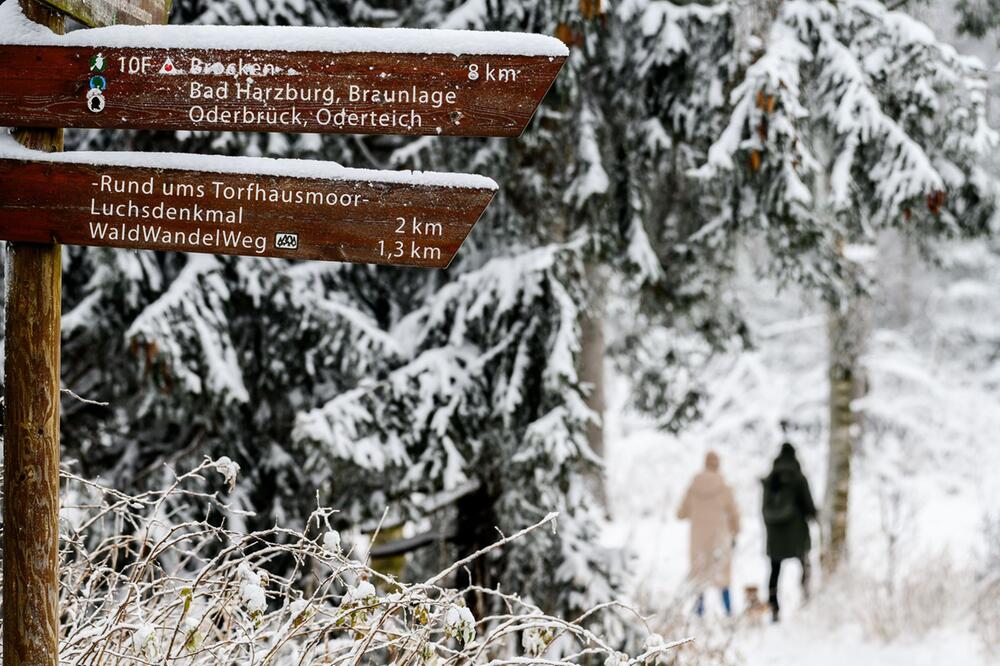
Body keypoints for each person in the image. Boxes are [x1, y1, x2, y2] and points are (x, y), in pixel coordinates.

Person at [677, 451, 741, 616]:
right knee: (722, 573)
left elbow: (681, 513)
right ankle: (728, 612)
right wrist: (735, 531)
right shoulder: (725, 487)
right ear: (718, 464)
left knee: (700, 573)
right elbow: (734, 514)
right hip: (719, 537)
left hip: (698, 537)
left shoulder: (693, 486)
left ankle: (699, 611)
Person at [761, 442, 817, 622]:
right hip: (797, 534)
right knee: (804, 565)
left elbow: (763, 509)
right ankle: (806, 599)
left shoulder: (770, 479)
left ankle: (774, 608)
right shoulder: (799, 478)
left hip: (775, 536)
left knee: (775, 571)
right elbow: (809, 507)